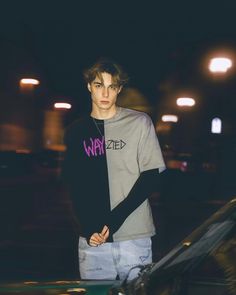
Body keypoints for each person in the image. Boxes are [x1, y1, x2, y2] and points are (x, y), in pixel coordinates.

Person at [61, 58, 165, 281]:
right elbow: (75, 186)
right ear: (89, 87)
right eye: (99, 86)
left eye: (111, 87)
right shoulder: (76, 131)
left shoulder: (139, 122)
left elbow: (150, 178)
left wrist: (113, 220)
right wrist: (88, 227)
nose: (105, 93)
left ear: (119, 89)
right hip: (92, 237)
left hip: (134, 236)